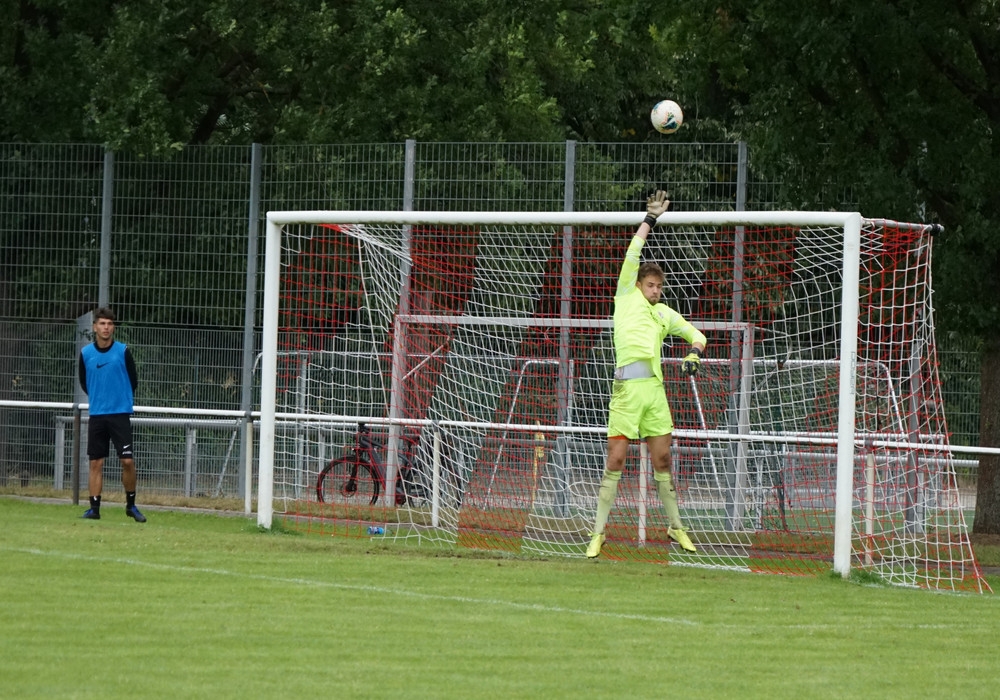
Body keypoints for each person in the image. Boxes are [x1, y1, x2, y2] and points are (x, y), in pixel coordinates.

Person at [586, 190, 706, 558]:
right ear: (639, 284)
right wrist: (650, 219)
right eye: (651, 285)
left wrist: (694, 353)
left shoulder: (664, 313)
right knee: (616, 461)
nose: (656, 290)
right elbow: (633, 253)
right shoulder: (626, 296)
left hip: (654, 393)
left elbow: (697, 335)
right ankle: (598, 532)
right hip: (626, 391)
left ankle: (676, 527)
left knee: (663, 461)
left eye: (659, 287)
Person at [78, 307, 146, 522]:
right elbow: (84, 382)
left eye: (109, 324)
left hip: (119, 415)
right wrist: (101, 398)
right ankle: (94, 509)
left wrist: (119, 399)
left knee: (127, 461)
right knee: (96, 463)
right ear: (95, 327)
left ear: (113, 327)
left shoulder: (123, 351)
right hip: (98, 415)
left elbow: (133, 380)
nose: (105, 327)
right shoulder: (86, 354)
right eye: (102, 323)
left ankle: (131, 505)